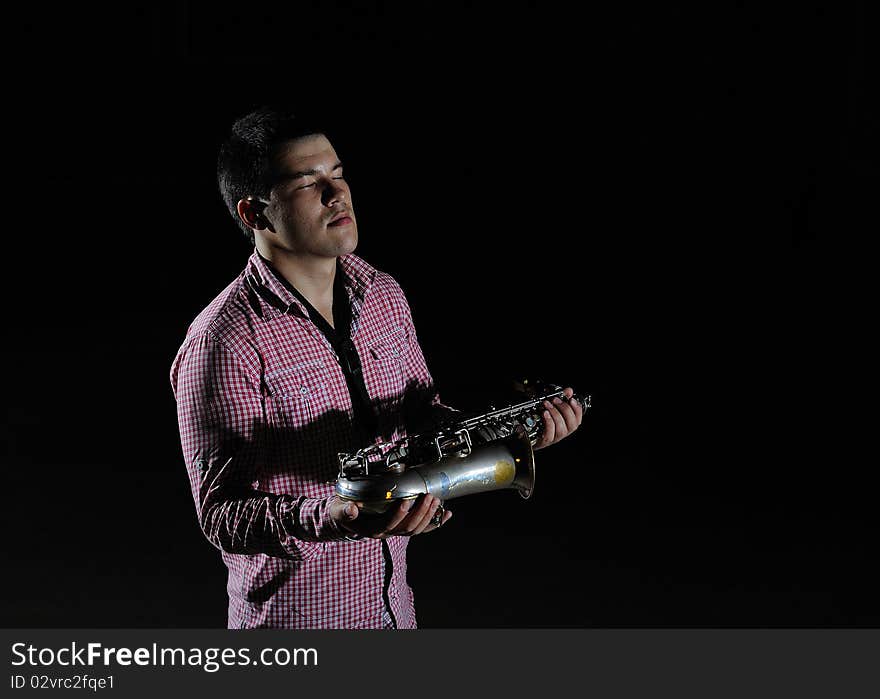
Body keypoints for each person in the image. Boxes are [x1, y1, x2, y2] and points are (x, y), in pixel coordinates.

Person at [169, 106, 584, 629]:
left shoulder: (383, 294)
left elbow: (422, 417)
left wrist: (516, 432)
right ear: (255, 214)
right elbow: (222, 514)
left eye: (338, 175)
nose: (336, 193)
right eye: (309, 183)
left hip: (393, 614)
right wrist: (335, 518)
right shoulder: (223, 339)